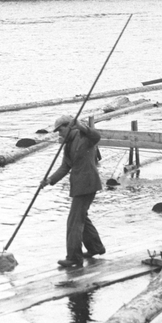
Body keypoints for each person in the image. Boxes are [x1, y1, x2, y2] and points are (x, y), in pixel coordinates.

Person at [41, 113, 106, 268]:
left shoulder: (83, 137)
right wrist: (49, 180)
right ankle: (96, 247)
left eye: (60, 130)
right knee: (81, 217)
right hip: (79, 185)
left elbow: (96, 136)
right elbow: (65, 166)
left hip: (88, 184)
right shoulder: (68, 144)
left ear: (69, 127)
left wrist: (80, 125)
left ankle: (74, 257)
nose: (59, 133)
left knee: (74, 222)